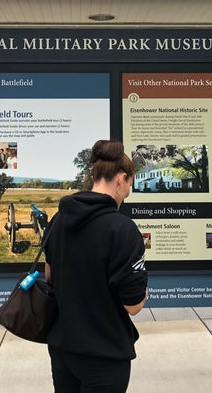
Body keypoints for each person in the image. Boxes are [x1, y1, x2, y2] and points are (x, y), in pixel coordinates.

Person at [44, 139, 148, 393]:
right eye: (130, 184)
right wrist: (144, 292)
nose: (129, 192)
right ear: (121, 179)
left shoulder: (59, 219)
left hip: (62, 348)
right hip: (105, 354)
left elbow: (49, 276)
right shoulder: (122, 229)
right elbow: (133, 306)